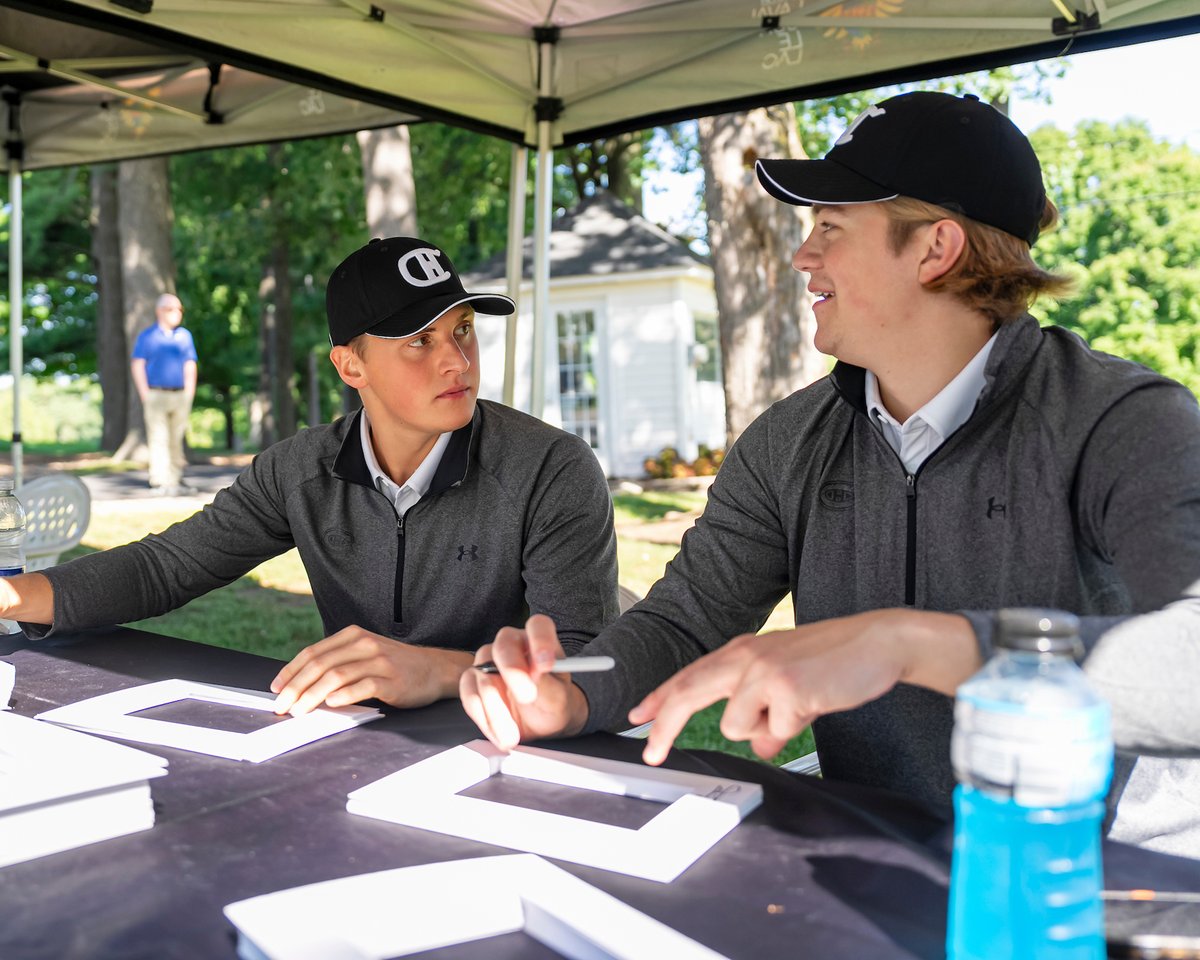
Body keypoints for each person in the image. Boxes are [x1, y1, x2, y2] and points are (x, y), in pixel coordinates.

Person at [462, 92, 1200, 855]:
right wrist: (566, 693)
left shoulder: (1123, 420)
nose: (802, 256)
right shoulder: (791, 441)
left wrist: (907, 643)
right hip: (875, 861)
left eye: (831, 228)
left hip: (1109, 882)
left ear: (935, 249)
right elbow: (683, 623)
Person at [0, 236, 619, 715]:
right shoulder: (298, 470)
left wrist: (437, 670)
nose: (457, 361)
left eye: (462, 331)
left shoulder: (550, 469)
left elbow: (590, 661)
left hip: (520, 753)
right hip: (357, 744)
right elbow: (167, 566)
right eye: (417, 341)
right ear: (351, 365)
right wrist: (14, 595)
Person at [131, 293, 199, 496]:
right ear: (160, 311)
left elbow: (190, 364)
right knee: (158, 437)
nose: (177, 313)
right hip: (156, 394)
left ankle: (175, 479)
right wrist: (145, 393)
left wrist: (189, 392)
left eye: (180, 309)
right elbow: (138, 364)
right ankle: (160, 481)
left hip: (180, 395)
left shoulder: (184, 336)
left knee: (176, 438)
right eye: (172, 309)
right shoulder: (148, 336)